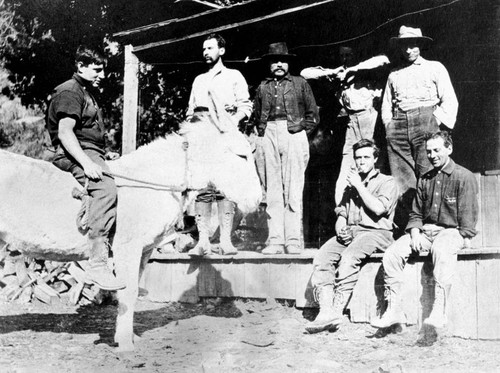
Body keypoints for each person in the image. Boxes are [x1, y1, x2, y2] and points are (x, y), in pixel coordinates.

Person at [371, 131, 478, 330]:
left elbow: (468, 221)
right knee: (392, 254)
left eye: (437, 150)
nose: (432, 155)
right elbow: (416, 213)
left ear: (449, 149)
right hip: (425, 232)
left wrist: (464, 238)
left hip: (451, 232)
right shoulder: (425, 179)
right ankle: (394, 309)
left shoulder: (464, 177)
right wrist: (414, 232)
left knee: (442, 249)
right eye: (428, 151)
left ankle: (439, 310)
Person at [46, 46, 124, 291]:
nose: (102, 74)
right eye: (97, 68)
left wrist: (103, 154)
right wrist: (87, 163)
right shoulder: (70, 91)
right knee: (105, 189)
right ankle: (98, 264)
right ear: (81, 65)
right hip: (71, 151)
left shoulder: (86, 92)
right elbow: (65, 132)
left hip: (90, 150)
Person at [305, 139, 398, 333]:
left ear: (375, 159)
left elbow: (379, 209)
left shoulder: (386, 182)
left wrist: (359, 186)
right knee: (323, 256)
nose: (361, 161)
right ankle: (326, 311)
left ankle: (337, 310)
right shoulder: (352, 184)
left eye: (366, 157)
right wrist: (340, 225)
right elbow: (343, 211)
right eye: (358, 158)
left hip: (377, 232)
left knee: (348, 258)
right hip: (353, 232)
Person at [381, 26, 459, 226]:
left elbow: (450, 100)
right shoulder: (394, 74)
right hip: (398, 125)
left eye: (413, 45)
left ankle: (431, 225)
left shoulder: (435, 67)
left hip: (426, 122)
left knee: (428, 173)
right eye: (404, 46)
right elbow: (386, 105)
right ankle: (411, 226)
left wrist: (435, 121)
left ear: (420, 46)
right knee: (403, 180)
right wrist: (389, 125)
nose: (408, 50)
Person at [186, 33, 252, 256]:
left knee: (225, 188)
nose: (206, 52)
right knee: (203, 189)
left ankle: (226, 240)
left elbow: (246, 107)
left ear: (221, 51)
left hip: (226, 137)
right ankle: (203, 241)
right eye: (203, 49)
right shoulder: (199, 80)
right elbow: (190, 111)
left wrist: (231, 121)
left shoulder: (234, 76)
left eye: (210, 48)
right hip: (202, 138)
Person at [253, 42, 319, 255]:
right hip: (268, 134)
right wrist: (263, 135)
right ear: (269, 65)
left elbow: (312, 115)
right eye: (274, 61)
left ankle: (292, 240)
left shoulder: (300, 84)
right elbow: (256, 116)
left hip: (293, 135)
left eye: (283, 61)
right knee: (272, 190)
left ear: (289, 63)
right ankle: (275, 240)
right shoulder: (263, 86)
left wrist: (299, 133)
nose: (279, 65)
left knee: (292, 189)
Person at [301, 46, 390, 205]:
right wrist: (331, 72)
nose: (345, 59)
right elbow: (305, 73)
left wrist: (353, 70)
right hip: (352, 121)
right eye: (342, 55)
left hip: (368, 118)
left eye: (348, 55)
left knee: (372, 161)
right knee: (348, 163)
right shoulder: (338, 73)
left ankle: (375, 204)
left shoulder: (365, 69)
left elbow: (383, 59)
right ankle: (342, 209)